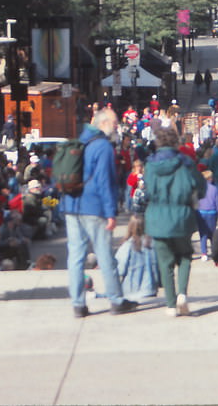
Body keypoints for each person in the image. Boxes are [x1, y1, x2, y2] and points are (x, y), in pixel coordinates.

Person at [60, 108, 137, 318]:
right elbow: (105, 181)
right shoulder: (102, 146)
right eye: (114, 124)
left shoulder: (77, 141)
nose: (116, 128)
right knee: (104, 255)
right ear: (103, 123)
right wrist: (111, 212)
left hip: (71, 204)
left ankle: (78, 304)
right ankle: (116, 300)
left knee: (75, 256)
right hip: (94, 207)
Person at [143, 125, 206, 317]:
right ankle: (182, 295)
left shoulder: (150, 165)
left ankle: (170, 304)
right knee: (185, 256)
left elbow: (147, 191)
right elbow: (201, 187)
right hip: (182, 215)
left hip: (157, 216)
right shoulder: (186, 162)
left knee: (165, 262)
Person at [115, 215, 160, 302]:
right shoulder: (152, 243)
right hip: (150, 289)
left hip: (131, 290)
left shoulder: (127, 245)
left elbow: (120, 269)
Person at [195, 170, 218, 261]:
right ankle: (214, 252)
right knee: (212, 234)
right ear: (210, 178)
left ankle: (204, 253)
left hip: (201, 212)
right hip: (212, 213)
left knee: (203, 234)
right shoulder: (214, 189)